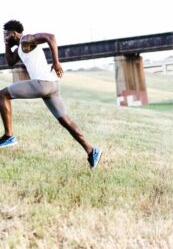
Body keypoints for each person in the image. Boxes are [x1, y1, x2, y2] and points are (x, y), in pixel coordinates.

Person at [0, 20, 102, 168]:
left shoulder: (26, 39)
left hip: (42, 84)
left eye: (6, 35)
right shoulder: (20, 48)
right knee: (65, 121)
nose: (5, 37)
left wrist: (56, 62)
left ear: (14, 33)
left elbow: (51, 37)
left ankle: (9, 136)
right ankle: (91, 150)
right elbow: (10, 62)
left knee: (2, 94)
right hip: (52, 86)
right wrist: (7, 45)